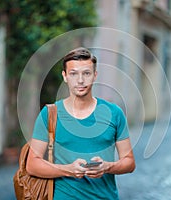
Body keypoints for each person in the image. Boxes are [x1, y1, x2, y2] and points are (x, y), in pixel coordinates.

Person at [26, 47, 135, 199]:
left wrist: (108, 166)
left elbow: (129, 162)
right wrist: (68, 170)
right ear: (65, 76)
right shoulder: (50, 114)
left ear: (95, 75)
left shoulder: (114, 113)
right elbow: (32, 165)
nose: (80, 80)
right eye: (73, 74)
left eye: (86, 73)